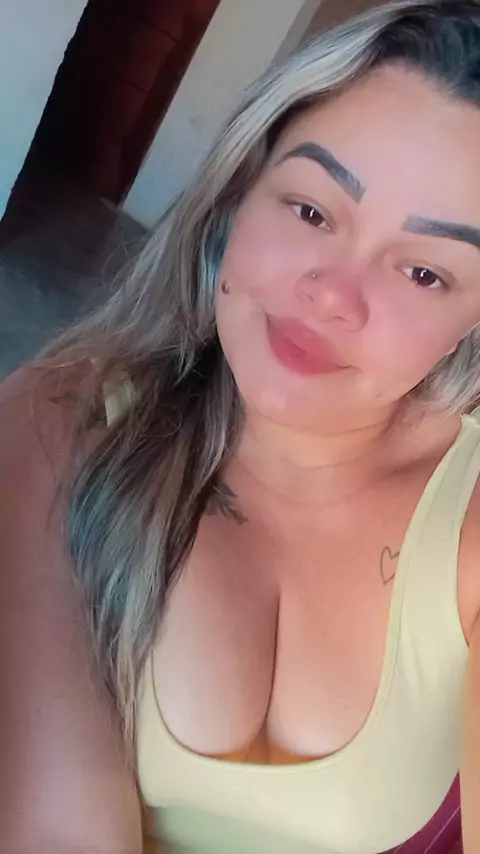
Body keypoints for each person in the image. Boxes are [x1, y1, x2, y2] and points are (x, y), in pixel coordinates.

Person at [4, 0, 480, 851]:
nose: (330, 295)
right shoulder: (64, 419)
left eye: (423, 272)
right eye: (311, 210)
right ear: (240, 194)